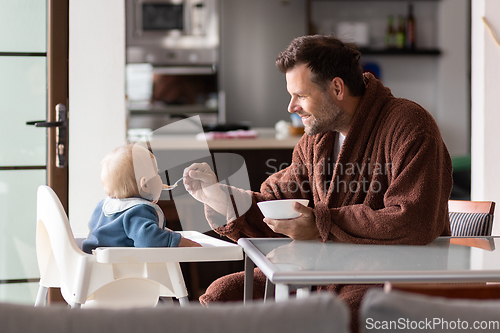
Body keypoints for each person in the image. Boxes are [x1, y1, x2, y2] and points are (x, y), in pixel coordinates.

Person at [183, 35, 453, 331]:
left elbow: (415, 219)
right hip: (323, 272)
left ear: (337, 88)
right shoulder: (316, 141)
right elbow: (281, 201)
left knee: (340, 315)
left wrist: (322, 223)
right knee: (225, 294)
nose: (291, 107)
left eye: (300, 95)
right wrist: (221, 198)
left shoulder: (409, 126)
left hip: (390, 275)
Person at [82, 143, 200, 254]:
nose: (160, 178)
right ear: (145, 185)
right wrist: (182, 242)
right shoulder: (138, 211)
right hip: (121, 267)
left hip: (95, 264)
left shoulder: (102, 206)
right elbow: (150, 240)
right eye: (157, 173)